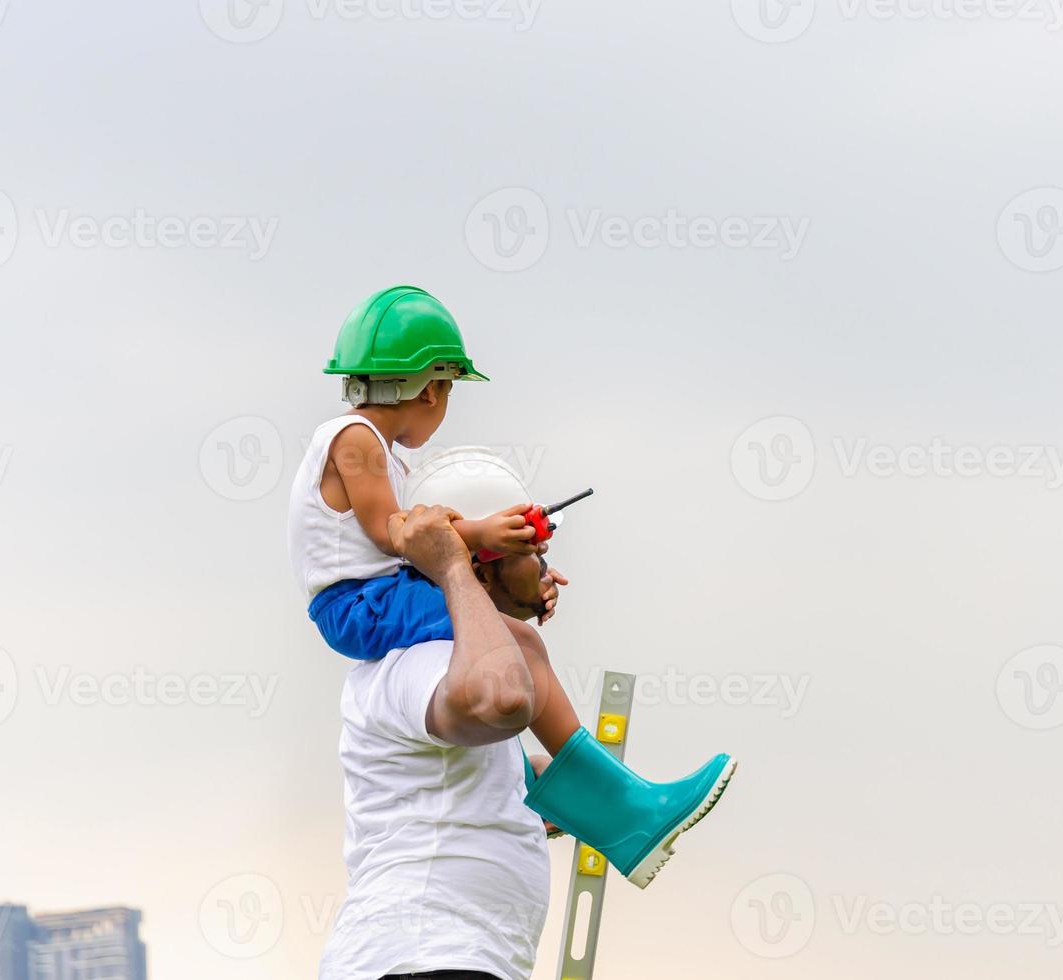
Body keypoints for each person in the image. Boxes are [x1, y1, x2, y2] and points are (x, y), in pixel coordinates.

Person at [289, 287, 735, 892]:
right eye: (449, 392)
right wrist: (479, 531)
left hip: (372, 596)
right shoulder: (357, 439)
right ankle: (614, 805)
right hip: (358, 606)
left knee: (513, 638)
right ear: (431, 388)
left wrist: (507, 561)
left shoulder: (375, 447)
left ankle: (559, 789)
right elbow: (397, 534)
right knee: (509, 638)